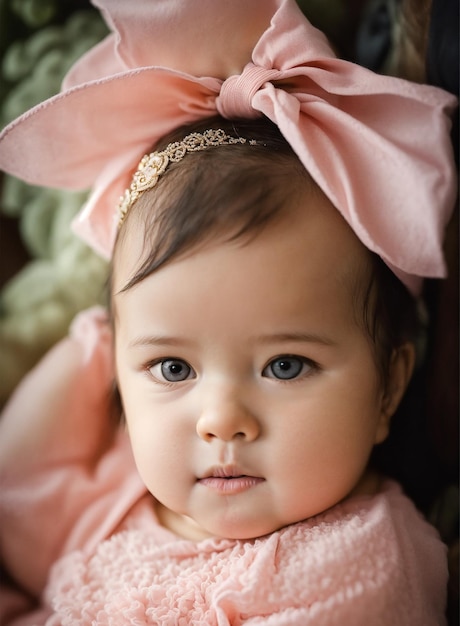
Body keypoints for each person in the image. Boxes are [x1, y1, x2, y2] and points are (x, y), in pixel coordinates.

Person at [0, 0, 457, 624]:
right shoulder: (115, 503)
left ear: (388, 387)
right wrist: (96, 341)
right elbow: (20, 493)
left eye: (287, 365)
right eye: (171, 369)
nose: (221, 421)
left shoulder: (360, 565)